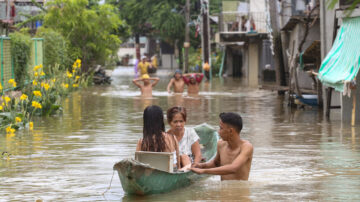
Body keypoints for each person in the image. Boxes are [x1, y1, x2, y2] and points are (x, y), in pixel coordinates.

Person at [191, 112, 253, 180]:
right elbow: (216, 163)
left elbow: (233, 168)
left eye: (221, 128)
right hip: (224, 188)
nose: (218, 131)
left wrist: (204, 171)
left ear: (230, 131)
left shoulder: (246, 147)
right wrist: (201, 165)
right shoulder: (221, 144)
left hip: (240, 190)